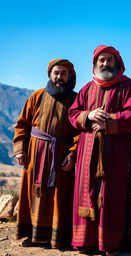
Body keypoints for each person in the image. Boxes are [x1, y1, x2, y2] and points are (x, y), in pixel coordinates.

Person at [68, 45, 131, 255]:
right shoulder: (86, 88)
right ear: (95, 64)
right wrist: (89, 116)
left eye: (109, 60)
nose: (105, 64)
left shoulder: (127, 86)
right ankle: (86, 242)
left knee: (112, 193)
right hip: (87, 150)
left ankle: (109, 243)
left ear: (117, 63)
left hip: (116, 151)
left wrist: (109, 121)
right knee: (87, 190)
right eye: (101, 60)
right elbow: (73, 113)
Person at [13, 59, 79, 248]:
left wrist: (72, 154)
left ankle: (59, 237)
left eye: (63, 73)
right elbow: (22, 125)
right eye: (56, 73)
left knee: (60, 195)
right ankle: (32, 235)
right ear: (50, 74)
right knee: (34, 193)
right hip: (35, 153)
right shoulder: (37, 96)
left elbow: (80, 132)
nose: (59, 77)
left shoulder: (76, 99)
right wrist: (20, 150)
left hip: (61, 155)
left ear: (70, 76)